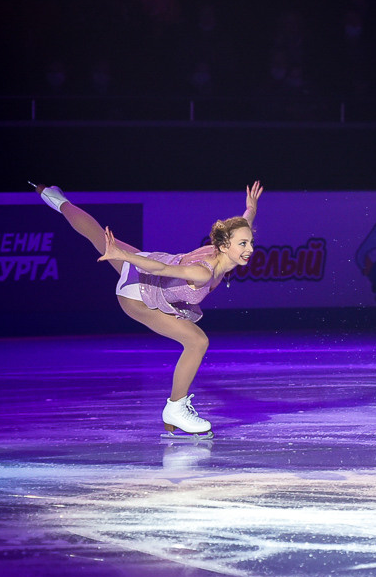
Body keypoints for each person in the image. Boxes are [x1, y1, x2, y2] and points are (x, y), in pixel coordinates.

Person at [32, 181, 264, 437]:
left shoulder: (224, 244)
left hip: (147, 266)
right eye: (243, 244)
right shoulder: (203, 272)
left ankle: (53, 197)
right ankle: (175, 408)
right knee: (197, 342)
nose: (250, 249)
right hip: (138, 297)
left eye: (250, 242)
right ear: (224, 246)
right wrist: (123, 256)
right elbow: (163, 270)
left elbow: (241, 226)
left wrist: (250, 208)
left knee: (97, 234)